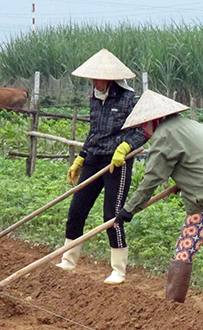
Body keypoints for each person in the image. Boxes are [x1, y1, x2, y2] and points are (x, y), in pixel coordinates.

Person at [115, 90, 203, 305]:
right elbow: (201, 160)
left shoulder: (165, 135)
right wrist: (183, 181)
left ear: (154, 120)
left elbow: (152, 179)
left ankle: (172, 308)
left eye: (143, 125)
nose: (143, 131)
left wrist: (129, 209)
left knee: (185, 249)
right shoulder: (196, 126)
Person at [56, 49, 148, 285]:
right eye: (92, 79)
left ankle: (118, 270)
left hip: (117, 163)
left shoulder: (129, 100)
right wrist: (81, 156)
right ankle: (68, 259)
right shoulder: (94, 98)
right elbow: (94, 131)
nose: (95, 83)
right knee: (77, 210)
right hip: (94, 158)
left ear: (110, 79)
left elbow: (144, 131)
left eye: (98, 79)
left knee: (112, 215)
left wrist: (126, 147)